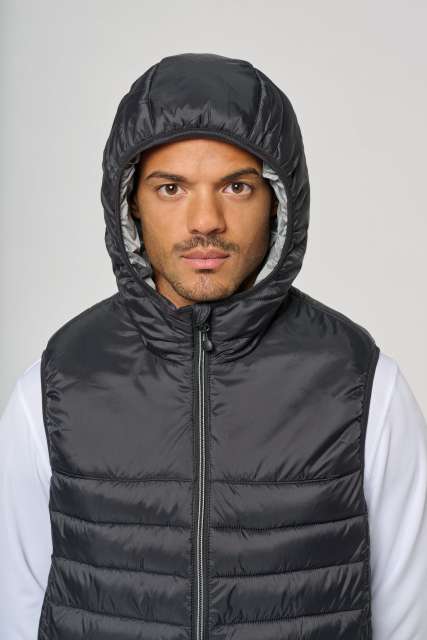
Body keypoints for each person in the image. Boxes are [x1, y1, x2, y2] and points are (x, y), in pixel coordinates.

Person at [1, 52, 426, 640]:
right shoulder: (57, 385)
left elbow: (408, 621)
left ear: (278, 200)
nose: (206, 221)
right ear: (130, 201)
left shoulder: (362, 386)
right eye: (171, 187)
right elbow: (17, 612)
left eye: (236, 186)